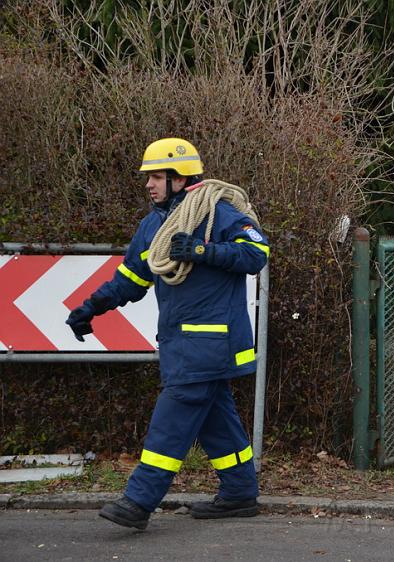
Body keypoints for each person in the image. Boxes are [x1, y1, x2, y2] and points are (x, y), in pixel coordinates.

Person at [65, 138, 270, 530]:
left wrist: (203, 251)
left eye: (157, 176)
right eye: (149, 177)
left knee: (172, 420)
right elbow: (131, 278)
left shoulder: (217, 212)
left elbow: (256, 253)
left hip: (210, 343)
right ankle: (240, 493)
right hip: (184, 343)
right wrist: (92, 307)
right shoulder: (153, 226)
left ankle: (138, 501)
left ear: (180, 179)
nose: (149, 184)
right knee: (215, 419)